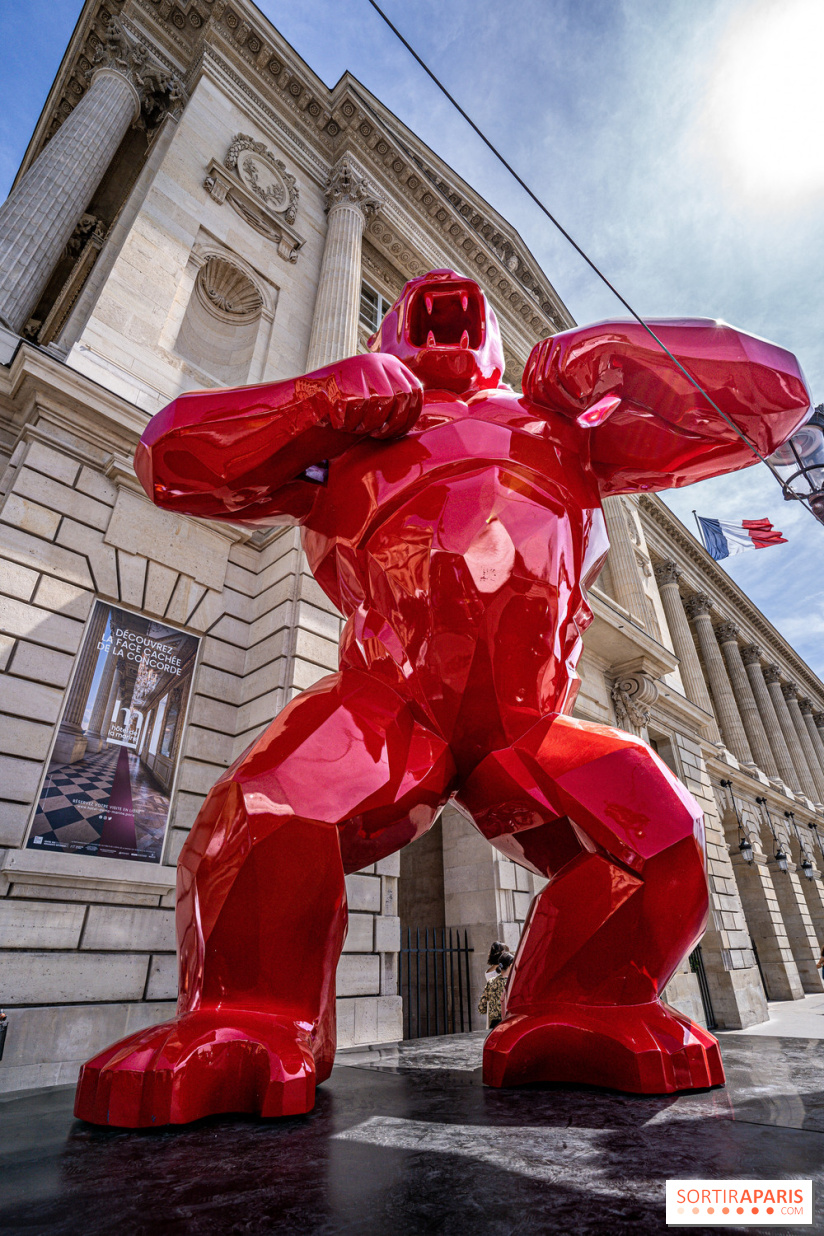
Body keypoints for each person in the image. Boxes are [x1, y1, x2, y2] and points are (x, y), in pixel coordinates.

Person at [479, 951, 515, 1030]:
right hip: (509, 1023)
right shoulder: (512, 983)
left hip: (494, 1026)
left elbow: (481, 1008)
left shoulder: (491, 982)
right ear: (511, 966)